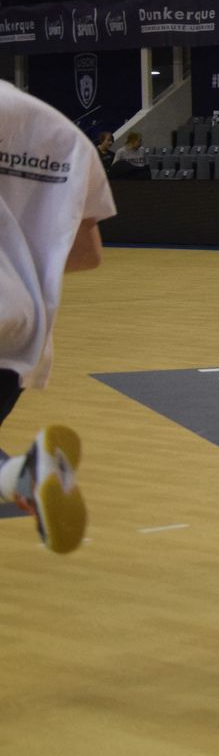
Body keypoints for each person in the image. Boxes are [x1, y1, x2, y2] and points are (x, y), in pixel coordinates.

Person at [0, 79, 113, 555]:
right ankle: (23, 476)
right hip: (19, 329)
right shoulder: (62, 132)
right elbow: (87, 253)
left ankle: (24, 474)